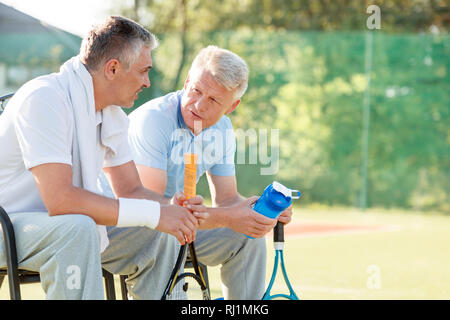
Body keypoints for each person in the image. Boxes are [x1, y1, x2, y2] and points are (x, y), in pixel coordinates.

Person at [0, 16, 207, 300]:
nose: (147, 82)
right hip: (7, 225)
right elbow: (61, 201)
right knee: (78, 228)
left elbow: (132, 191)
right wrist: (154, 214)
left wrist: (170, 209)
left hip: (62, 225)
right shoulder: (44, 98)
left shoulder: (110, 114)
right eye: (143, 71)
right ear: (113, 68)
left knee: (159, 233)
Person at [119, 45, 293, 299]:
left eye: (213, 100)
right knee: (168, 232)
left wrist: (260, 212)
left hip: (177, 226)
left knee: (249, 235)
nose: (199, 105)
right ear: (187, 80)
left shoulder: (222, 129)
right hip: (131, 228)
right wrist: (229, 216)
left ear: (232, 106)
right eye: (196, 90)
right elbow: (155, 212)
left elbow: (228, 200)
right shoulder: (154, 120)